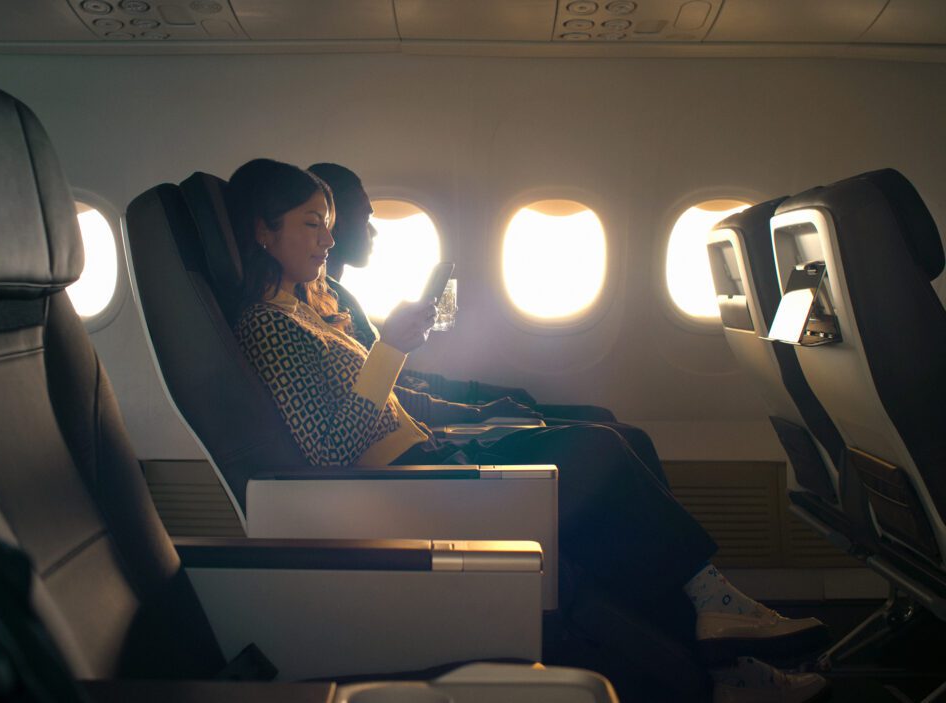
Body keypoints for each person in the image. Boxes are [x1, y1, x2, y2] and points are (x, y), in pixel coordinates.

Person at [227, 158, 829, 703]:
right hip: (402, 491)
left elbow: (379, 400)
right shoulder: (267, 326)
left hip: (426, 463)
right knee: (597, 449)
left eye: (328, 223)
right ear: (263, 230)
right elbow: (331, 451)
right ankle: (715, 622)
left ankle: (719, 653)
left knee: (617, 453)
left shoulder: (315, 306)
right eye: (311, 224)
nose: (329, 239)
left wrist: (454, 403)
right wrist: (390, 347)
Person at [306, 161, 664, 475]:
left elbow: (399, 384)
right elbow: (388, 395)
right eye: (365, 216)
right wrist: (477, 410)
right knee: (615, 440)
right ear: (333, 220)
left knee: (607, 424)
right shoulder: (303, 316)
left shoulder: (338, 298)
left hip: (423, 426)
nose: (374, 229)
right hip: (418, 452)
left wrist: (477, 396)